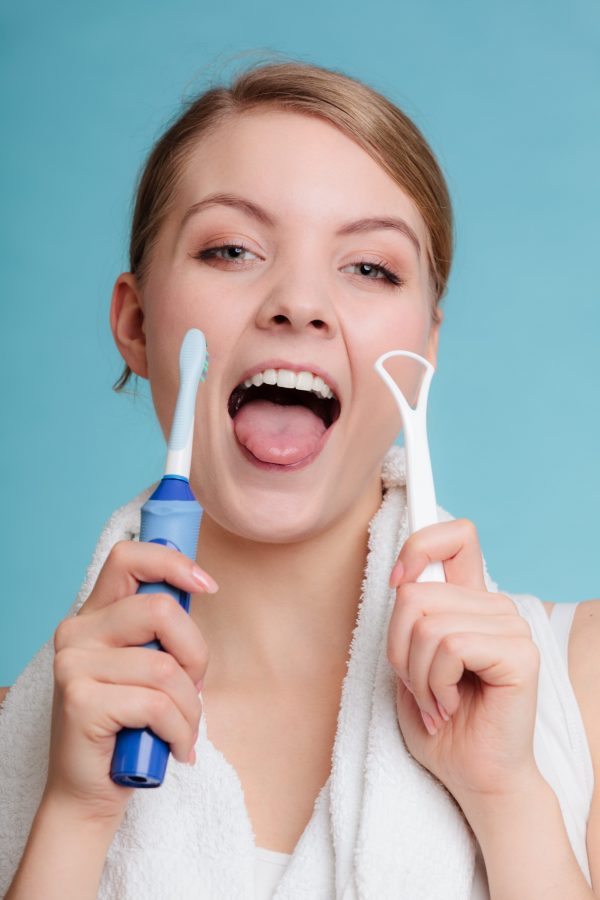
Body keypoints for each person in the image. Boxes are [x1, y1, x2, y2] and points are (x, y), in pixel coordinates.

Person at [2, 59, 599, 899]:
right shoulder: (25, 739)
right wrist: (74, 815)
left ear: (423, 351)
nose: (300, 302)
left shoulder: (585, 692)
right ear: (136, 323)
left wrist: (507, 798)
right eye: (232, 249)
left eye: (369, 268)